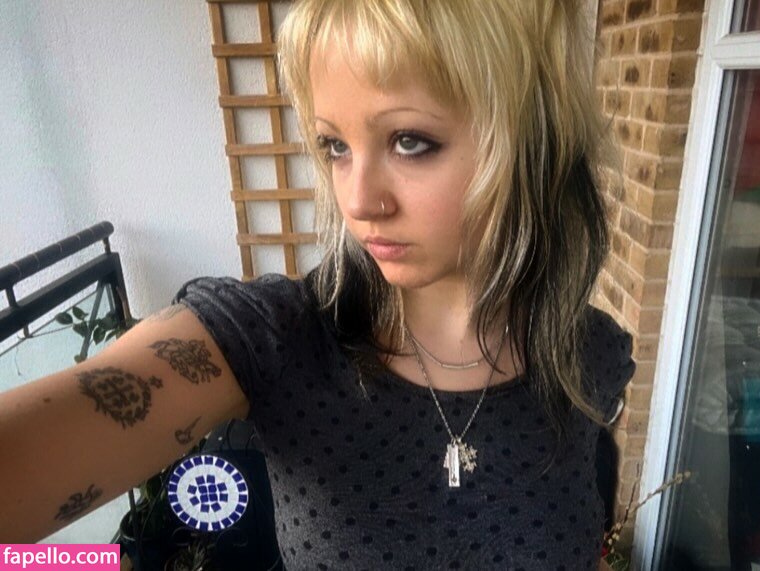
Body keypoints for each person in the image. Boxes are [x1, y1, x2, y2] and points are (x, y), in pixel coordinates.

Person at [0, 0, 636, 568]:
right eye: (335, 146)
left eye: (410, 141)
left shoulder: (591, 357)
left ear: (532, 141)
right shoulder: (273, 340)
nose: (358, 201)